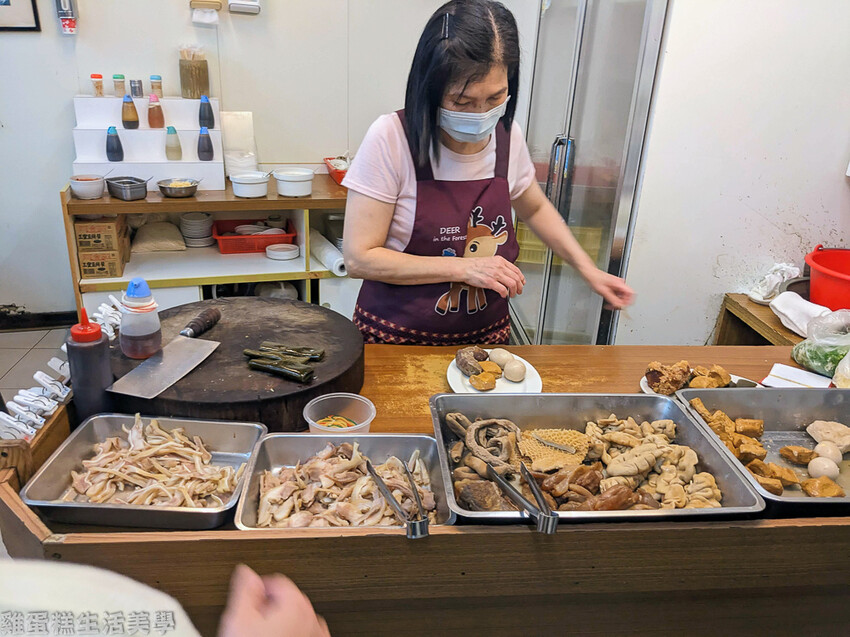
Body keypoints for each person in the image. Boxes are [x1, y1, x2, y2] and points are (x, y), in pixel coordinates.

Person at [343, 0, 634, 346]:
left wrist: (588, 270)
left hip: (487, 341)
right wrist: (465, 268)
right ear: (430, 89)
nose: (480, 114)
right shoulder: (391, 137)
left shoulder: (508, 137)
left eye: (496, 98)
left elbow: (534, 208)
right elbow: (360, 258)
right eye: (462, 102)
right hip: (396, 340)